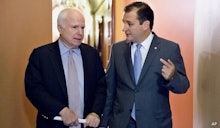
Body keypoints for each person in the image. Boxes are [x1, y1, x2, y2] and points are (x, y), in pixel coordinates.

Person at [100, 1, 190, 128]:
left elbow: (184, 86)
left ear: (145, 25)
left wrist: (172, 77)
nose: (124, 28)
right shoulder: (117, 49)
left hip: (155, 123)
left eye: (129, 24)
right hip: (121, 122)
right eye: (124, 23)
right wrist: (104, 123)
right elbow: (110, 89)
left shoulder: (169, 49)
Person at [25, 8, 106, 128]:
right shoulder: (41, 56)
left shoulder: (92, 55)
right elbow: (34, 89)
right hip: (53, 124)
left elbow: (101, 87)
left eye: (82, 28)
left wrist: (95, 112)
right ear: (60, 28)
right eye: (74, 27)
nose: (80, 32)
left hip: (87, 125)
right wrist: (61, 110)